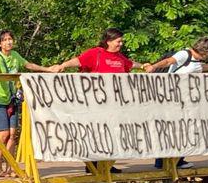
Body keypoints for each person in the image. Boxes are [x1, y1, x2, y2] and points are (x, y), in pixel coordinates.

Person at [54, 28, 146, 173]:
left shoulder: (120, 57)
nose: (121, 44)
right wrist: (63, 66)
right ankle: (93, 165)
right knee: (97, 133)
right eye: (118, 41)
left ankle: (106, 164)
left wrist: (144, 66)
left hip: (115, 104)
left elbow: (130, 64)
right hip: (95, 103)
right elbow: (79, 61)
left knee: (113, 134)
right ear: (108, 41)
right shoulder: (96, 53)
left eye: (121, 41)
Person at [0, 30, 58, 179]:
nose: (8, 42)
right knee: (3, 135)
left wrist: (47, 69)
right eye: (5, 40)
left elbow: (28, 65)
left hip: (12, 99)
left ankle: (10, 167)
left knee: (13, 134)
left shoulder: (15, 55)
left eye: (10, 39)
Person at [145, 37, 208, 169]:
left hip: (184, 101)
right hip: (172, 99)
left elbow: (201, 67)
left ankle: (174, 160)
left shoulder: (196, 61)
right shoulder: (184, 54)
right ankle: (166, 162)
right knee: (174, 130)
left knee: (182, 130)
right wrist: (153, 66)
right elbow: (168, 61)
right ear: (206, 51)